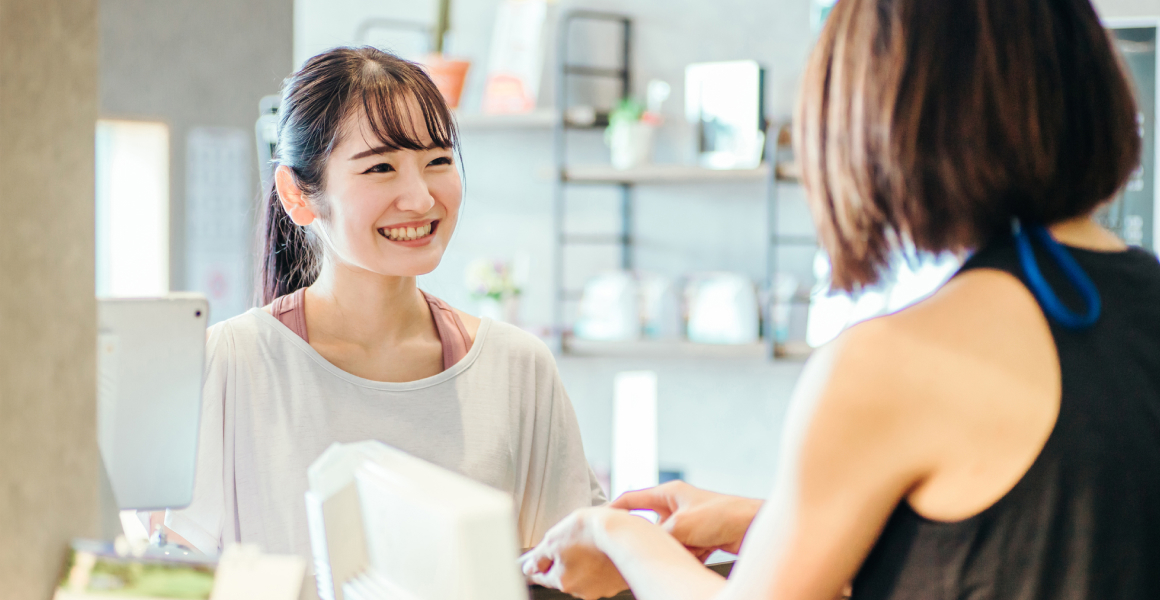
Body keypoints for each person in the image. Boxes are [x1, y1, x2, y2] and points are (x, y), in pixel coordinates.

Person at [520, 0, 1160, 598]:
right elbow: (1032, 534)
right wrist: (760, 523)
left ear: (873, 119)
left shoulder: (893, 361)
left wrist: (617, 536)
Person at [154, 47, 605, 562]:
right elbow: (175, 577)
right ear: (298, 195)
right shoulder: (230, 362)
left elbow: (570, 574)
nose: (419, 198)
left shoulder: (518, 368)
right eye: (381, 168)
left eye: (438, 161)